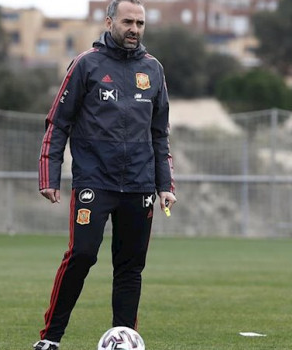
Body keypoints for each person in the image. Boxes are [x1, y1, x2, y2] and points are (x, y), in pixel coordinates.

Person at [34, 0, 176, 349]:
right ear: (110, 21)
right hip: (94, 182)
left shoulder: (153, 69)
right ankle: (51, 340)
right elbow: (58, 122)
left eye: (140, 23)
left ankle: (124, 340)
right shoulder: (86, 65)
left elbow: (160, 133)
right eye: (128, 22)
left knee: (130, 268)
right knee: (82, 255)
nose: (135, 29)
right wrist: (49, 174)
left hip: (140, 184)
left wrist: (165, 184)